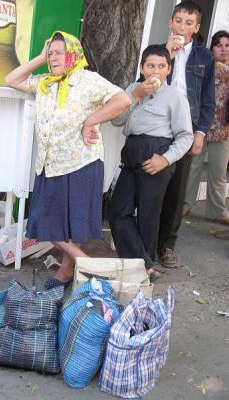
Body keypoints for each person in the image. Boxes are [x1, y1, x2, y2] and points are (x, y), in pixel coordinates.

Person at [6, 31, 131, 289]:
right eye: (50, 53)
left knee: (74, 227)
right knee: (45, 225)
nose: (53, 57)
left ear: (73, 54)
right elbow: (12, 79)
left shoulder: (88, 80)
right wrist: (39, 58)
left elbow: (124, 99)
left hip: (81, 164)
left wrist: (92, 120)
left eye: (58, 52)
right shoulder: (45, 83)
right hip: (50, 165)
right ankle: (92, 267)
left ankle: (66, 270)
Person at [109, 45, 193, 282]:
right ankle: (144, 265)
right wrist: (135, 95)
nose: (155, 71)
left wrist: (164, 159)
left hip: (157, 154)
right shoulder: (134, 89)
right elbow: (116, 120)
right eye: (150, 66)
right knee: (118, 212)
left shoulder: (175, 96)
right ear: (142, 68)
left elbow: (186, 136)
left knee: (148, 214)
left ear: (168, 69)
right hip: (132, 153)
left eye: (161, 66)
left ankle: (141, 272)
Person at [157, 1, 215, 269]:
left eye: (188, 23)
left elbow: (207, 99)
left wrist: (200, 132)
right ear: (171, 22)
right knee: (152, 186)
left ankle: (167, 245)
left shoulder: (204, 57)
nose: (182, 27)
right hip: (158, 125)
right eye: (178, 21)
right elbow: (147, 84)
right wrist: (167, 54)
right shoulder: (159, 52)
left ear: (197, 27)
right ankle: (145, 241)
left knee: (177, 191)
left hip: (186, 128)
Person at [183, 30, 229, 225]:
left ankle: (217, 211)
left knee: (218, 172)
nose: (224, 50)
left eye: (227, 46)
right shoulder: (205, 66)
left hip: (223, 129)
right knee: (192, 168)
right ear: (212, 48)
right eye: (219, 45)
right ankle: (185, 205)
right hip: (200, 125)